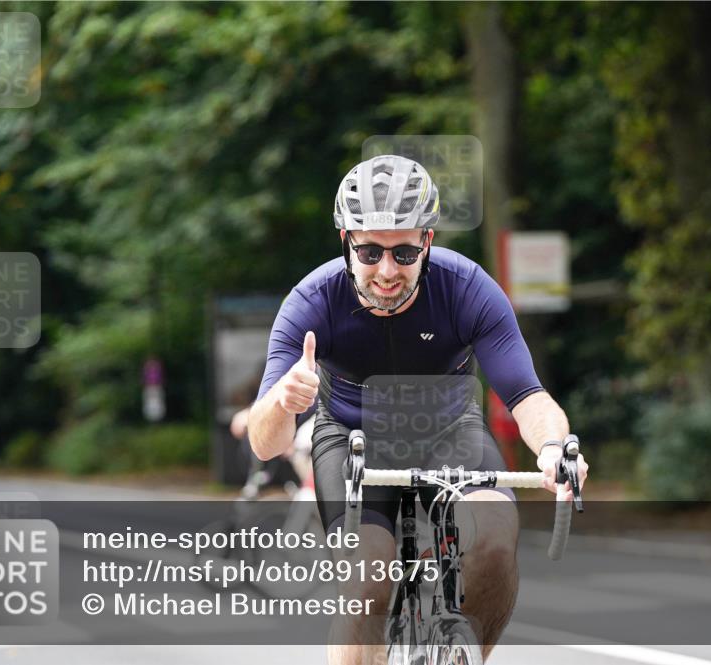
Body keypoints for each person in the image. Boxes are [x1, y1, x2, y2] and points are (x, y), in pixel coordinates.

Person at [248, 154, 588, 664]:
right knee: (366, 582)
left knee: (495, 539)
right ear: (345, 242)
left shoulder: (467, 289)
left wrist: (554, 447)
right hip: (352, 438)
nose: (387, 271)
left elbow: (527, 396)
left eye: (404, 252)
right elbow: (265, 441)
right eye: (369, 252)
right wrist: (282, 401)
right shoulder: (311, 302)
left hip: (449, 430)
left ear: (428, 241)